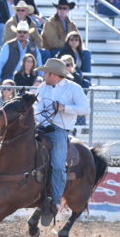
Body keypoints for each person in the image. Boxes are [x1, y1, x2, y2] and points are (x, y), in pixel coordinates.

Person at [34, 58, 91, 226]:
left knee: (58, 166)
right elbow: (37, 109)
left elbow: (85, 110)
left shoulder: (74, 88)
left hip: (59, 131)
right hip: (40, 127)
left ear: (53, 74)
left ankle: (55, 201)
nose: (43, 74)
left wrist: (64, 107)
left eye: (45, 72)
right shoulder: (42, 87)